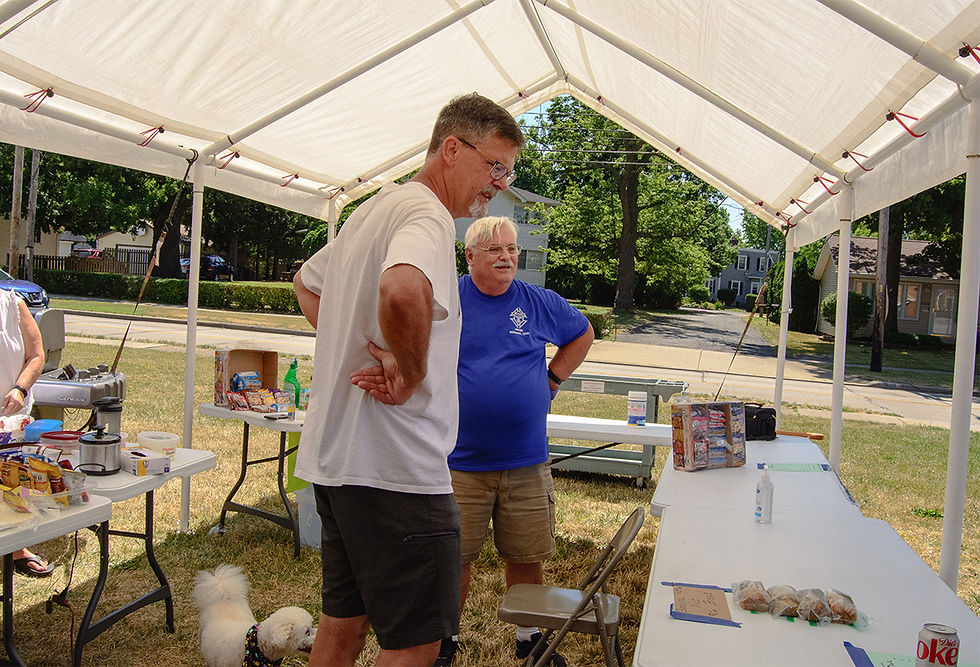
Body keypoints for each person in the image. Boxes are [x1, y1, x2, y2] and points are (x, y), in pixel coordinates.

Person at [292, 93, 523, 667]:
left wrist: (351, 339)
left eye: (508, 171)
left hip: (340, 463)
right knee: (417, 646)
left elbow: (307, 282)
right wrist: (412, 369)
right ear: (452, 149)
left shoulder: (376, 207)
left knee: (341, 626)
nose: (498, 183)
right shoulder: (426, 215)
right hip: (396, 471)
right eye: (494, 166)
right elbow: (401, 290)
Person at [435, 216, 594, 666]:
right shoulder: (450, 300)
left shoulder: (539, 302)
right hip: (459, 461)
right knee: (454, 558)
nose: (507, 257)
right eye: (494, 250)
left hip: (525, 460)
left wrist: (553, 376)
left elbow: (582, 334)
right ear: (469, 257)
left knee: (525, 555)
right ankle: (445, 639)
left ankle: (528, 638)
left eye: (511, 249)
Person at [0, 288, 51, 577]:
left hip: (10, 416)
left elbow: (36, 355)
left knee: (12, 481)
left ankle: (17, 549)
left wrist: (20, 389)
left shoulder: (13, 304)